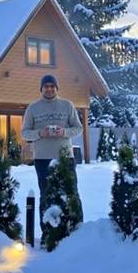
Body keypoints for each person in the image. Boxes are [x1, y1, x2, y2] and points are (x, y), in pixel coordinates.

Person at [20, 74, 82, 215]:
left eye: (52, 86)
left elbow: (79, 128)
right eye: (46, 86)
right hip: (42, 159)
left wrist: (64, 132)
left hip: (65, 158)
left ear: (57, 88)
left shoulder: (67, 105)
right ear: (41, 89)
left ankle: (76, 228)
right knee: (46, 194)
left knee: (71, 193)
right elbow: (24, 133)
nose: (49, 89)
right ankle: (47, 231)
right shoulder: (33, 108)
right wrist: (40, 133)